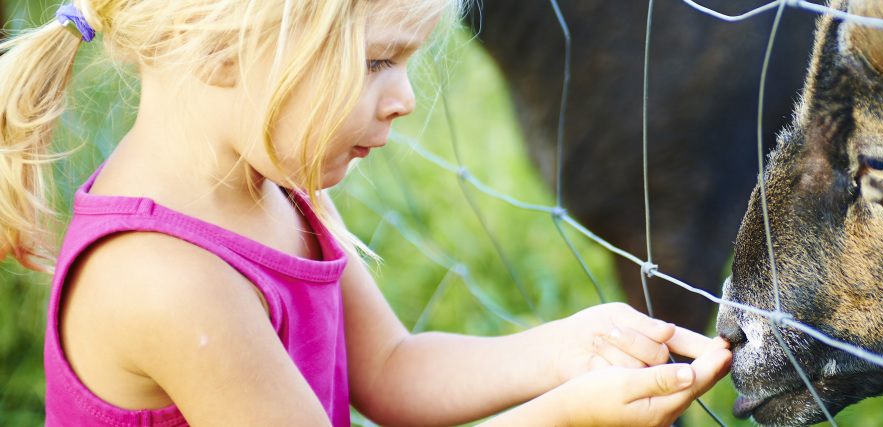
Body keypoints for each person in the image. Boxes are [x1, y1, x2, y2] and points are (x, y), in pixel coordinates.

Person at [0, 0, 732, 425]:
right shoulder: (169, 282)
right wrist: (561, 415)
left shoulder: (281, 190)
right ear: (219, 45)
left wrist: (566, 348)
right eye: (378, 62)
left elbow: (389, 366)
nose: (405, 98)